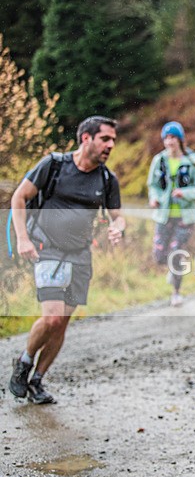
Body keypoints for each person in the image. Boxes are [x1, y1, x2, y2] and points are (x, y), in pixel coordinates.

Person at [8, 115, 125, 404]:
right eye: (105, 139)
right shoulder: (54, 165)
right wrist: (22, 238)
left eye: (113, 140)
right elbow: (19, 197)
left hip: (81, 256)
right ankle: (24, 361)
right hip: (47, 250)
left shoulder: (107, 179)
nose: (110, 145)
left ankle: (37, 381)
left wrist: (117, 228)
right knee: (52, 318)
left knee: (62, 324)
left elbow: (118, 215)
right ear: (86, 138)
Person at [147, 121, 195, 307]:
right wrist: (154, 198)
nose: (169, 141)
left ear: (180, 139)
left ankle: (176, 293)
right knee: (159, 256)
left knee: (176, 254)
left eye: (173, 137)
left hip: (185, 217)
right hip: (164, 215)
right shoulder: (159, 161)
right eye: (166, 138)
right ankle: (173, 271)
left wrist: (185, 193)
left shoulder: (192, 162)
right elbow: (153, 185)